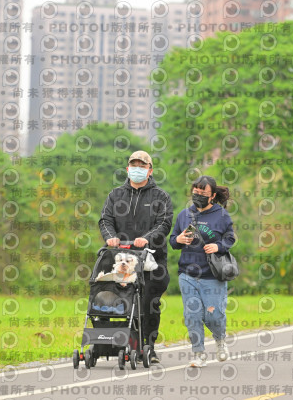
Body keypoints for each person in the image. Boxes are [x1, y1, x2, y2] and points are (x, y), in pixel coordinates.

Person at [98, 150, 173, 363]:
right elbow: (105, 220)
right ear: (127, 169)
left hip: (152, 261)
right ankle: (122, 344)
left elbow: (164, 223)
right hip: (121, 259)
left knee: (149, 302)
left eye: (142, 166)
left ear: (150, 170)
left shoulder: (161, 197)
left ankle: (148, 347)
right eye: (134, 165)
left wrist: (146, 239)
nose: (137, 169)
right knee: (115, 300)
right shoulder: (115, 195)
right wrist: (110, 237)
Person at [170, 175, 235, 368]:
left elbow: (230, 238)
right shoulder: (184, 215)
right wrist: (178, 240)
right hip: (187, 274)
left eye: (203, 192)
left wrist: (218, 246)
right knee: (192, 316)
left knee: (213, 315)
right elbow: (173, 240)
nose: (198, 195)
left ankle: (220, 339)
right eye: (196, 191)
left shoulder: (222, 215)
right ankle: (199, 353)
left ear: (212, 195)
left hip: (212, 275)